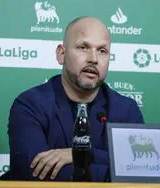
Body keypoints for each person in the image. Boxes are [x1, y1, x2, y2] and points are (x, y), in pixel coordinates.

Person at [8, 16, 144, 182]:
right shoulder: (30, 104)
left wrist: (83, 155)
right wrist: (109, 164)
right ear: (61, 54)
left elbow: (139, 170)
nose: (93, 59)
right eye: (83, 47)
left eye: (102, 51)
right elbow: (37, 173)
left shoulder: (126, 110)